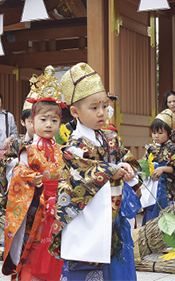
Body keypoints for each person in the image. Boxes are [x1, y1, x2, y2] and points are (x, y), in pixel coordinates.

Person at [48, 62, 141, 281]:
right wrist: (112, 171)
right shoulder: (73, 146)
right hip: (87, 223)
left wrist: (128, 168)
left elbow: (127, 159)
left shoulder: (111, 138)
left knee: (118, 272)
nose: (102, 112)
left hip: (113, 223)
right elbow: (81, 174)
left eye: (104, 106)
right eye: (94, 107)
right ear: (75, 112)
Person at [2, 66, 66, 280]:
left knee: (57, 253)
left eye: (54, 120)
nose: (49, 124)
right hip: (34, 211)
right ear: (32, 121)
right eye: (43, 119)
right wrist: (30, 178)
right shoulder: (27, 151)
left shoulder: (63, 151)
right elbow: (17, 174)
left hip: (57, 210)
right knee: (31, 253)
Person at [140, 109, 175, 225]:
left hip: (169, 189)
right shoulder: (150, 148)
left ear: (170, 133)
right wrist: (149, 171)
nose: (156, 136)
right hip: (153, 186)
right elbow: (144, 165)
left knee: (168, 216)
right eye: (153, 132)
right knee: (151, 216)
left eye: (160, 133)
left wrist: (163, 169)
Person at [0, 95, 35, 213]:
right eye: (30, 122)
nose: (34, 126)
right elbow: (5, 160)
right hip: (20, 183)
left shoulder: (46, 142)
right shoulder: (17, 141)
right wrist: (18, 161)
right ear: (23, 122)